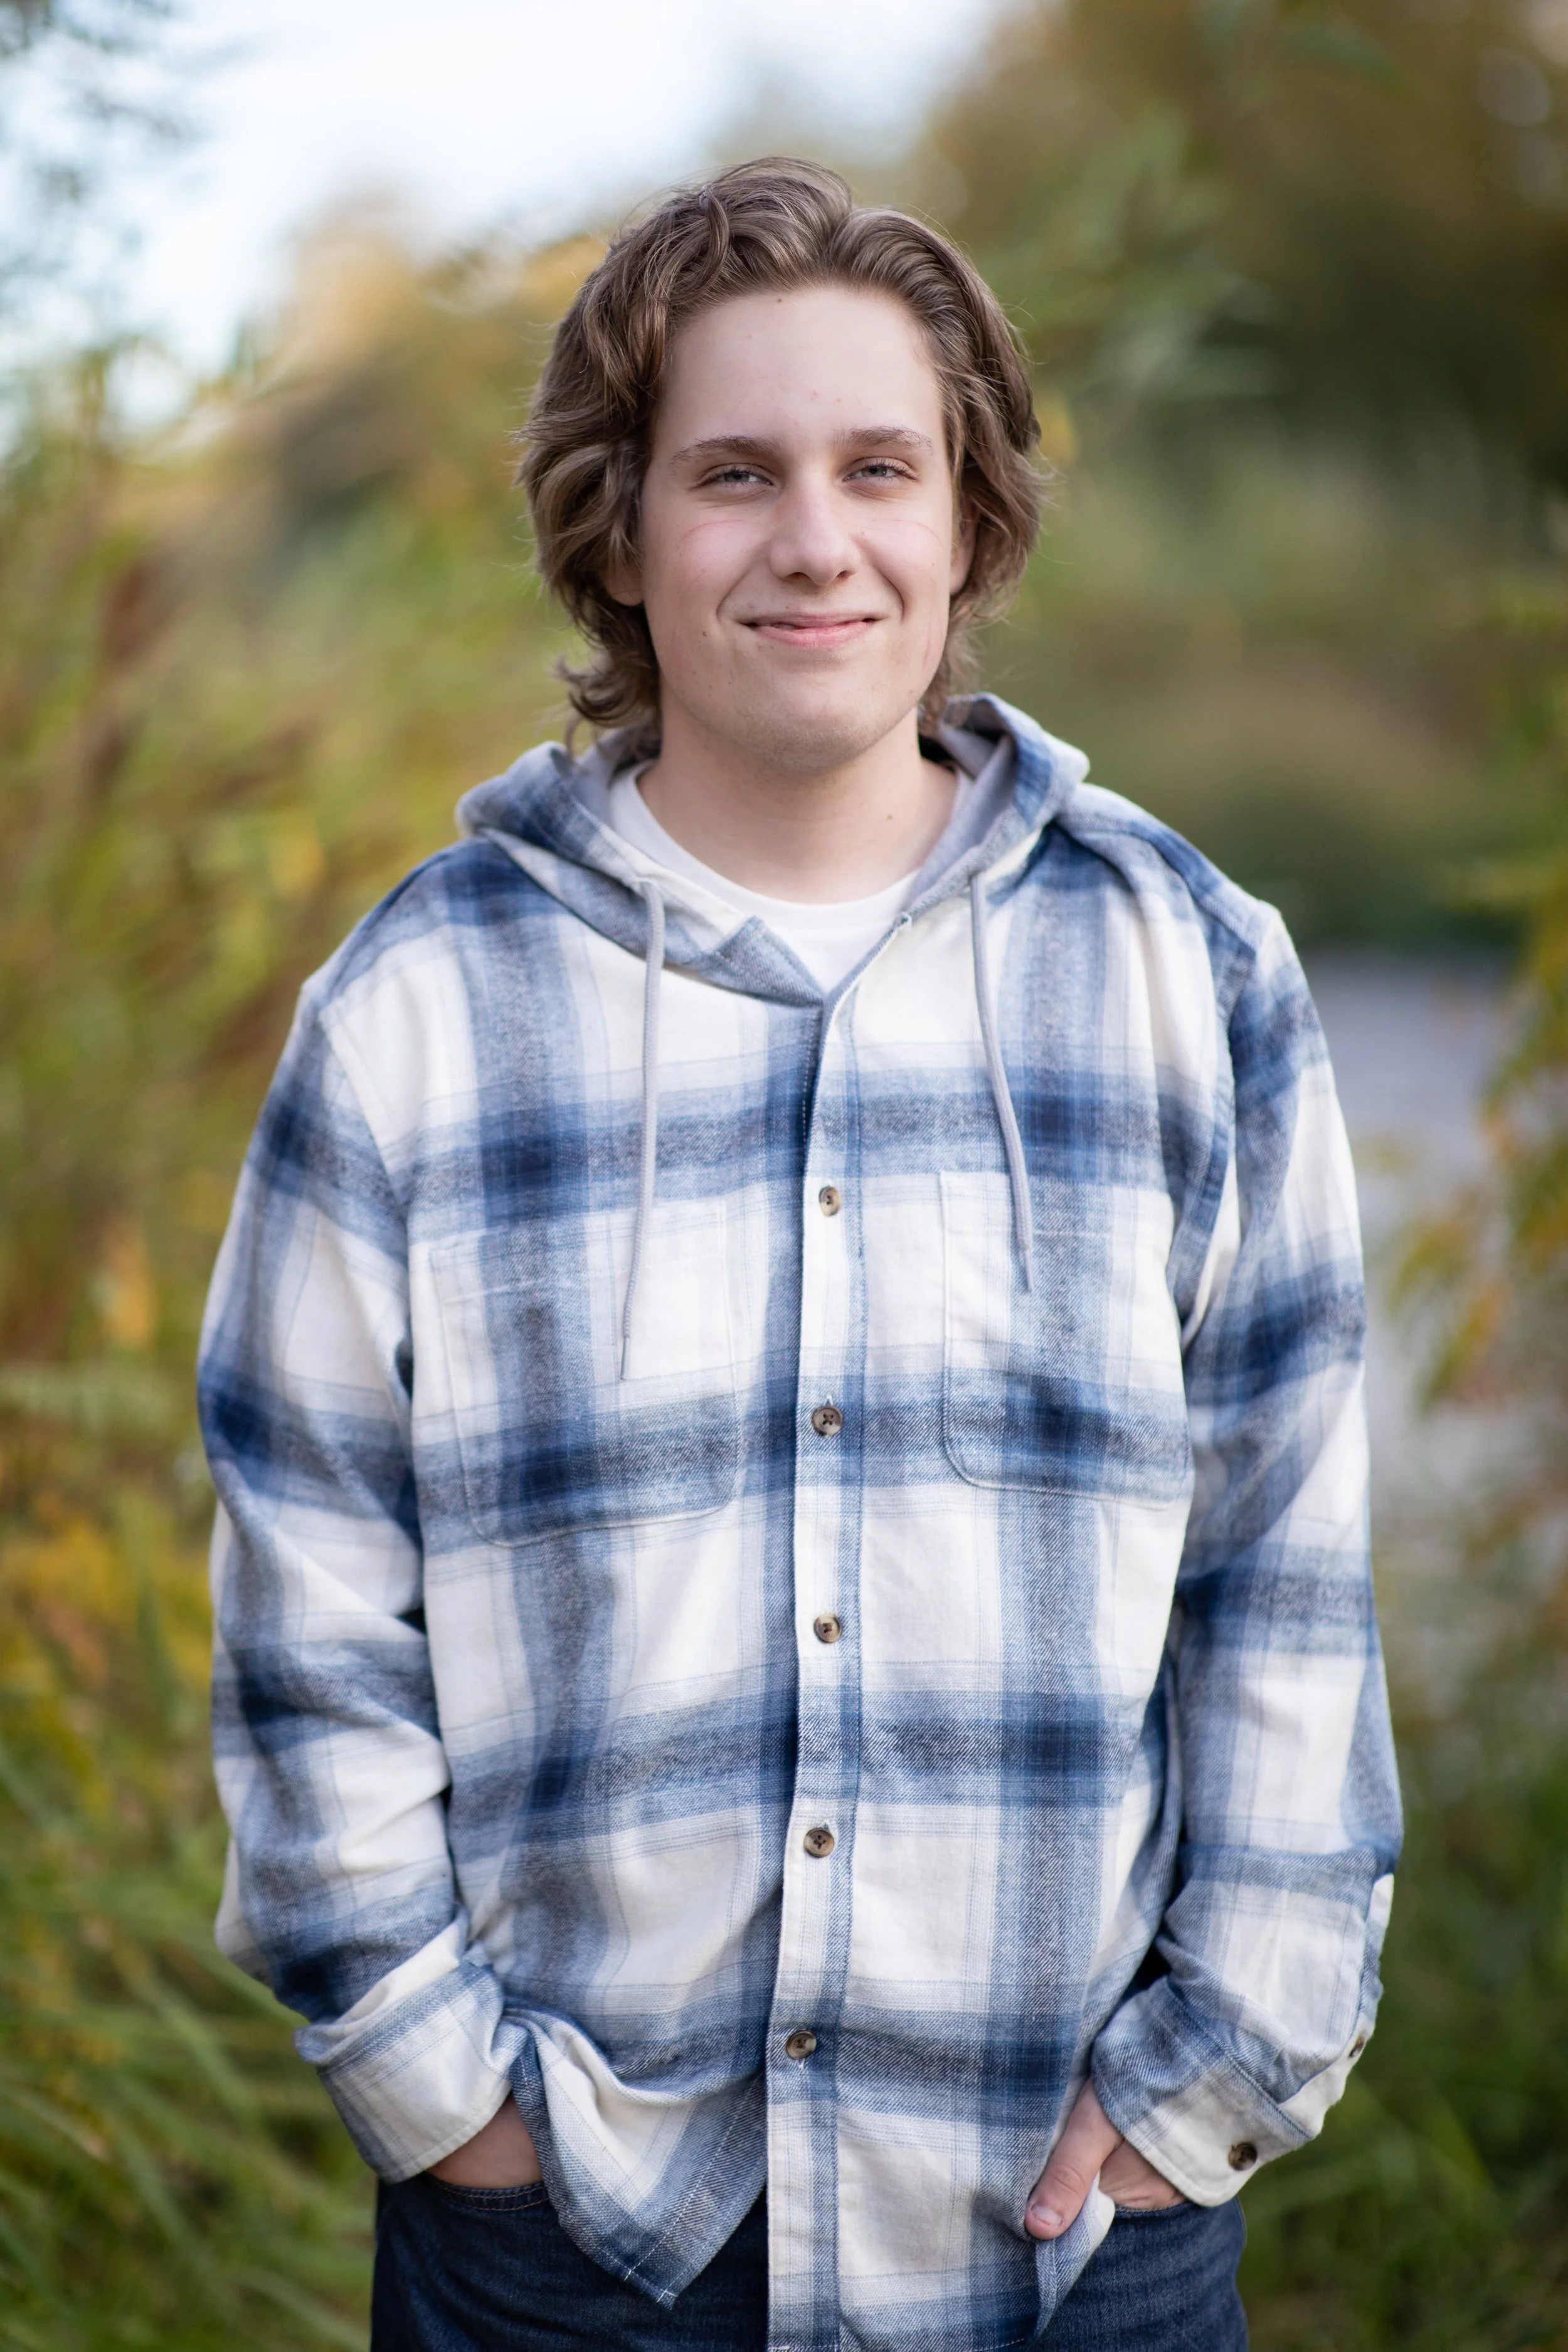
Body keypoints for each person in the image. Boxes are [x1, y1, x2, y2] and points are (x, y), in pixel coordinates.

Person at [198, 158, 1401, 2352]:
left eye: (878, 466)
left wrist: (1214, 2075)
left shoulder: (1184, 970)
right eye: (730, 472)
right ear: (619, 530)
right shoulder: (417, 1009)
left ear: (966, 522)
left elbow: (1281, 1568)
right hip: (569, 2227)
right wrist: (439, 2089)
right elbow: (306, 1579)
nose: (813, 538)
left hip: (1071, 2222)